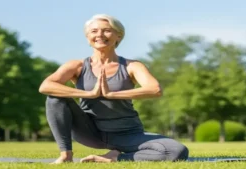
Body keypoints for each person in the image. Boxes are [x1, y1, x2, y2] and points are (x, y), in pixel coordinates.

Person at [38, 14, 189, 164]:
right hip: (90, 132)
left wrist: (112, 94)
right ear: (87, 37)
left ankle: (114, 157)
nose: (100, 35)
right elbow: (46, 86)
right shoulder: (77, 66)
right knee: (54, 98)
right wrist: (89, 93)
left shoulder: (132, 66)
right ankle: (66, 155)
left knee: (177, 151)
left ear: (119, 36)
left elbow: (155, 89)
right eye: (94, 31)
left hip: (127, 132)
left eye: (107, 30)